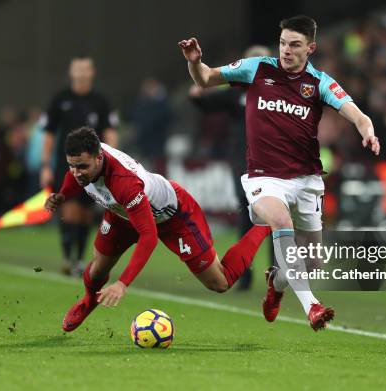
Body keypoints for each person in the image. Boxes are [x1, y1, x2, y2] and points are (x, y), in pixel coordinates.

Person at [179, 15, 380, 331]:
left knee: (311, 262)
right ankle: (311, 306)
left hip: (306, 180)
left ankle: (276, 284)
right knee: (281, 221)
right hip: (264, 177)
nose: (286, 50)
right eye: (283, 43)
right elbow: (205, 79)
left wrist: (367, 131)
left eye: (295, 45)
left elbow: (357, 114)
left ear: (310, 48)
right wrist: (195, 63)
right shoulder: (257, 68)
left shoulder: (320, 83)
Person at [45, 127, 270, 332]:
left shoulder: (125, 183)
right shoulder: (87, 160)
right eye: (72, 165)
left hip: (173, 217)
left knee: (219, 282)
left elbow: (149, 236)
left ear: (99, 158)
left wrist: (122, 283)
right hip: (123, 214)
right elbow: (75, 176)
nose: (77, 172)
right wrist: (63, 194)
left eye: (82, 166)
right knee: (97, 269)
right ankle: (88, 301)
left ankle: (265, 224)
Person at [189, 44, 272, 291]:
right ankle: (244, 273)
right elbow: (206, 104)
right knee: (248, 214)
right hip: (244, 163)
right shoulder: (237, 92)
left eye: (261, 60)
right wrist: (196, 95)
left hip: (274, 164)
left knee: (278, 219)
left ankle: (278, 275)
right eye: (252, 60)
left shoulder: (279, 92)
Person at [41, 56, 118, 276]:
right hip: (65, 166)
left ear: (91, 72)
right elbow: (48, 133)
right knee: (69, 208)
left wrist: (113, 160)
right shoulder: (60, 99)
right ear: (71, 72)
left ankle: (78, 259)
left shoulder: (101, 102)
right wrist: (45, 165)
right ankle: (68, 256)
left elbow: (111, 132)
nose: (81, 73)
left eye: (85, 69)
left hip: (94, 167)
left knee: (85, 213)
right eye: (77, 69)